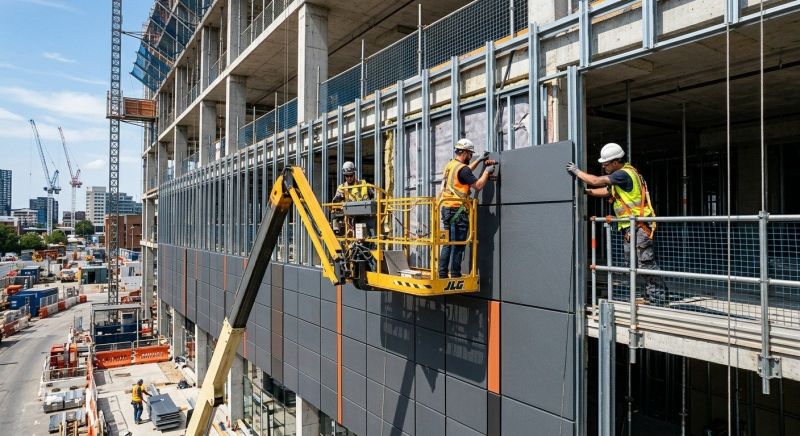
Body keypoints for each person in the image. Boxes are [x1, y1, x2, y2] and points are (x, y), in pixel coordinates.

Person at [566, 142, 669, 306]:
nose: (604, 167)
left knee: (645, 262)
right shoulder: (622, 177)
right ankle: (650, 296)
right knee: (633, 264)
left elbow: (596, 180)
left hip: (640, 225)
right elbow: (607, 191)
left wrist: (577, 172)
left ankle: (658, 298)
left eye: (606, 164)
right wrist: (585, 192)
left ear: (616, 162)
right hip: (631, 227)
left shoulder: (623, 174)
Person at [438, 138, 497, 279]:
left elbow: (465, 172)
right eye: (470, 154)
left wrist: (479, 160)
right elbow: (478, 185)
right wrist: (487, 172)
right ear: (464, 152)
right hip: (457, 211)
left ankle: (442, 274)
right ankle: (455, 275)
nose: (471, 157)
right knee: (458, 244)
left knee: (448, 243)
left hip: (446, 208)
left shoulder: (451, 165)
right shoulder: (463, 170)